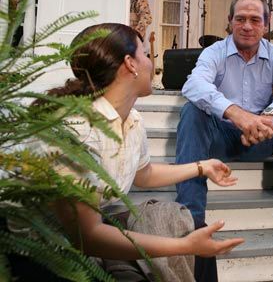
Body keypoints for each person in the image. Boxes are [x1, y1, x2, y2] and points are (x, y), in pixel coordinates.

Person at [44, 23, 244, 281]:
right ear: (130, 64)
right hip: (46, 243)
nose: (151, 63)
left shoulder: (132, 120)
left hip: (96, 223)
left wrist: (201, 167)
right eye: (146, 55)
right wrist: (186, 247)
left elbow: (144, 174)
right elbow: (87, 236)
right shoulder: (79, 129)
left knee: (192, 226)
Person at [175, 0, 273, 244]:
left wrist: (269, 116)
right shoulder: (215, 51)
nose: (247, 26)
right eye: (240, 19)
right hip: (221, 138)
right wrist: (237, 114)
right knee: (191, 111)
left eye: (255, 20)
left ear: (265, 25)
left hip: (262, 135)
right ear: (230, 21)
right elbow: (194, 84)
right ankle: (191, 217)